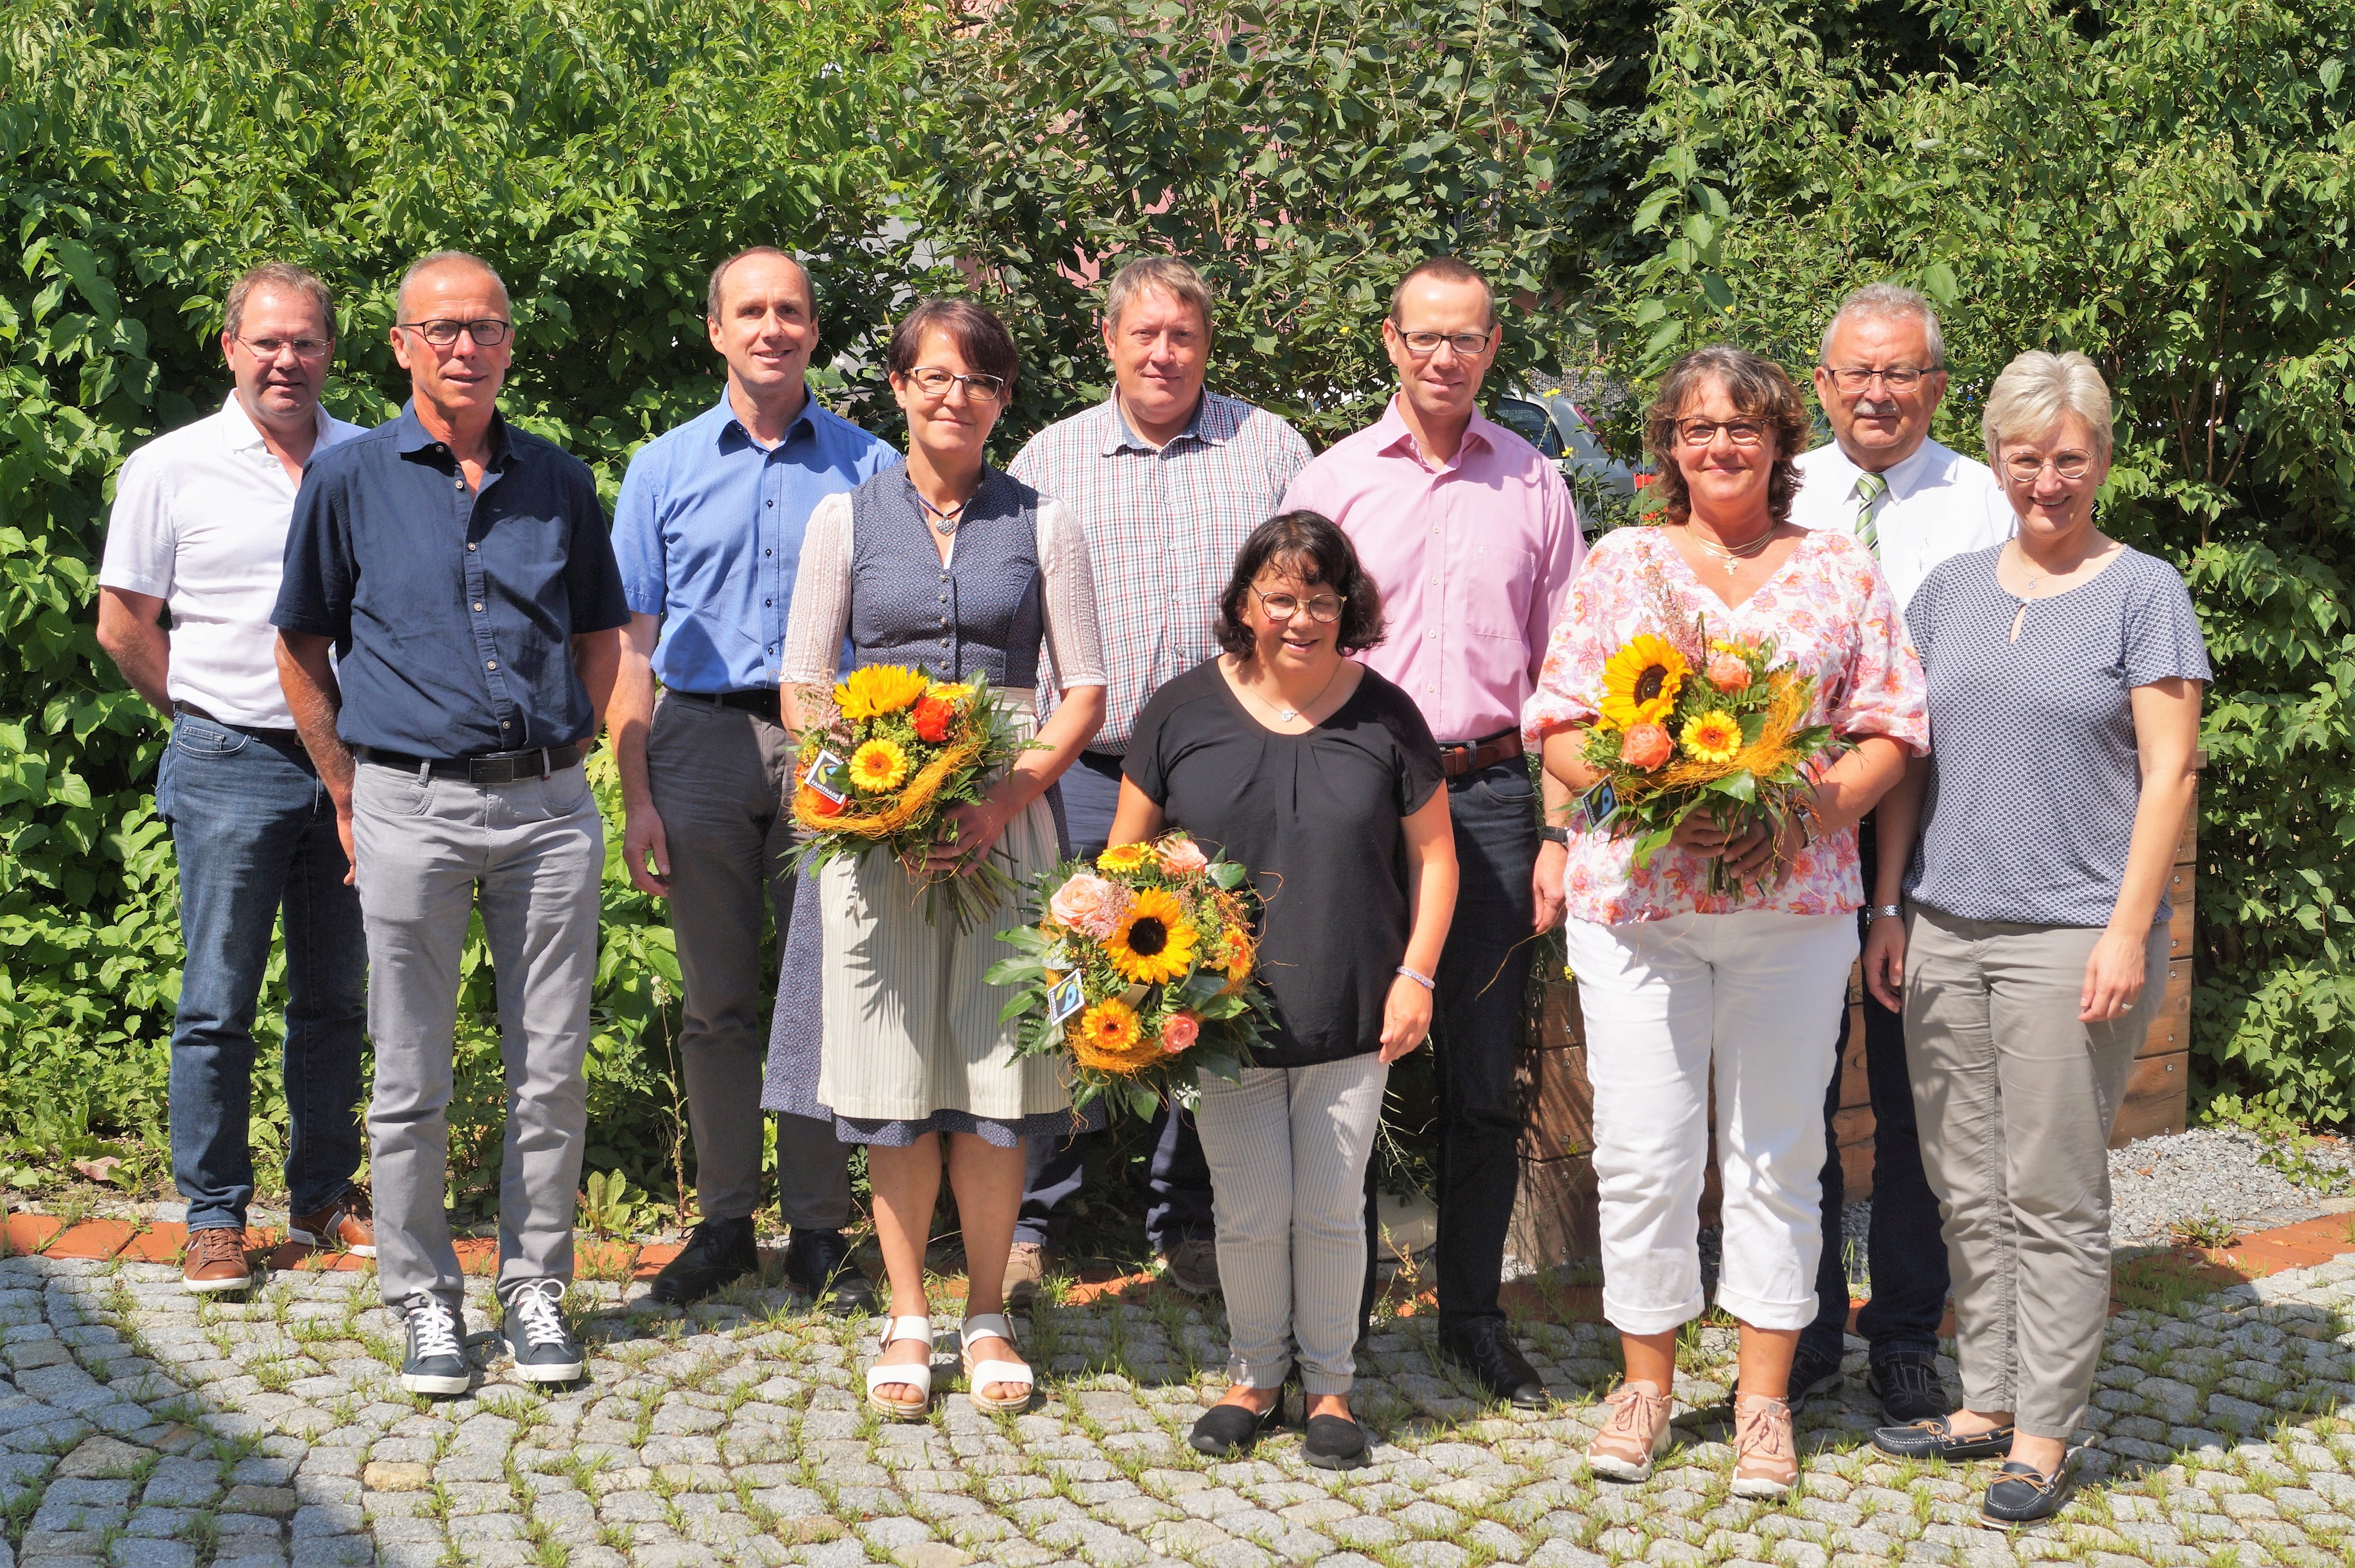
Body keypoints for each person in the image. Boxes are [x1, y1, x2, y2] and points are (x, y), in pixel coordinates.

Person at [1525, 345, 1928, 1496]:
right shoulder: (1622, 562)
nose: (1720, 445)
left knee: (1777, 1155)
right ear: (1668, 443)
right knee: (1643, 1152)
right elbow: (1557, 720)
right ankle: (1644, 1383)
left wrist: (1809, 810)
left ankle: (1761, 1403)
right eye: (1697, 426)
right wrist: (1652, 796)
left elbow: (1891, 725)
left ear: (1779, 441)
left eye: (1742, 425)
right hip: (1638, 906)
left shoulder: (1837, 568)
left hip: (1790, 910)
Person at [274, 250, 629, 1396]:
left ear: (509, 344)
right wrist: (342, 787)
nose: (461, 346)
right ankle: (425, 1299)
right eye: (438, 328)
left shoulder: (559, 481)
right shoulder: (350, 479)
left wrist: (593, 763)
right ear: (399, 345)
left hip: (545, 806)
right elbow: (301, 643)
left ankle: (533, 1286)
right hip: (405, 801)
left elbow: (600, 636)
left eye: (481, 327)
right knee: (412, 1068)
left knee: (549, 1069)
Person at [1865, 351, 2204, 1526]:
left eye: (2068, 459)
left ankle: (2047, 1428)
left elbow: (2168, 774)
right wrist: (1888, 903)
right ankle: (1984, 1399)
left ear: (2099, 459)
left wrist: (2124, 930)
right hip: (1945, 923)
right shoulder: (1949, 588)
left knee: (2050, 1188)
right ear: (1997, 458)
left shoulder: (2140, 589)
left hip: (2072, 933)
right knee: (1962, 1177)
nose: (2046, 480)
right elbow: (1909, 756)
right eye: (2025, 458)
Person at [764, 298, 1106, 1419]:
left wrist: (1003, 791)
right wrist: (875, 803)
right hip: (872, 832)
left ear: (1004, 399)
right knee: (891, 1076)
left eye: (979, 380)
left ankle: (989, 1312)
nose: (954, 395)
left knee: (999, 1075)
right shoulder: (840, 522)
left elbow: (1085, 688)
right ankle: (908, 1313)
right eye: (933, 376)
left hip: (1010, 825)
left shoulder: (1047, 524)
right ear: (900, 388)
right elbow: (806, 685)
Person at [1281, 255, 1585, 1408]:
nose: (1444, 357)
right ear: (1390, 342)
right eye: (1425, 337)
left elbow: (1569, 681)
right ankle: (1334, 1326)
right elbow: (1287, 648)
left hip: (1498, 797)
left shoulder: (1534, 487)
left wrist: (1561, 832)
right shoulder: (1333, 485)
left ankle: (1471, 1313)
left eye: (1466, 339)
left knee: (1482, 1076)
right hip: (1359, 796)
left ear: (1491, 347)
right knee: (1340, 1067)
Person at [1112, 512, 1458, 1471]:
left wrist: (1417, 975)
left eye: (1320, 598)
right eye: (1280, 596)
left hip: (1354, 1002)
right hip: (1219, 1018)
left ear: (1346, 607)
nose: (1300, 617)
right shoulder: (1179, 711)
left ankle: (1332, 1388)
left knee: (1334, 1208)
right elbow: (1122, 863)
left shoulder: (1387, 716)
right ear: (1242, 604)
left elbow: (1435, 858)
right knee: (1250, 1208)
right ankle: (1254, 1378)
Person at [1003, 255, 1313, 1301]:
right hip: (1086, 768)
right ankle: (1038, 1218)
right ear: (1110, 343)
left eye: (1182, 335)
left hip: (1226, 770)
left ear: (1206, 343)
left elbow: (1309, 594)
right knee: (1073, 982)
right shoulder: (1052, 455)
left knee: (1211, 988)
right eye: (1145, 335)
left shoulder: (1267, 447)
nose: (1164, 353)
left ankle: (1189, 1223)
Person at [609, 247, 896, 1312]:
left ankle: (822, 1229)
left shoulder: (871, 465)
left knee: (826, 993)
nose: (771, 327)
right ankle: (726, 1220)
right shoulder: (663, 468)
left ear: (814, 331)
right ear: (717, 331)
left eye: (790, 311)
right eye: (750, 311)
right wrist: (636, 791)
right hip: (697, 740)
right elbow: (632, 647)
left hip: (831, 747)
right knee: (717, 1001)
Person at [95, 262, 374, 1294]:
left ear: (331, 352)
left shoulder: (374, 458)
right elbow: (124, 622)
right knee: (217, 1001)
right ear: (229, 350)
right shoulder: (169, 467)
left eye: (304, 341)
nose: (286, 360)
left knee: (338, 998)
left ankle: (323, 1192)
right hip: (230, 759)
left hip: (356, 765)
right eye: (266, 342)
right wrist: (200, 713)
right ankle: (213, 1215)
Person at [1785, 283, 2015, 1421]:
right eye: (1854, 374)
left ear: (1935, 386)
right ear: (1819, 383)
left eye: (1900, 373)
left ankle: (1908, 1329)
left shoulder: (1982, 502)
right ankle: (1810, 1318)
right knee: (1795, 1087)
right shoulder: (1785, 490)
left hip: (1939, 834)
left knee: (1921, 1093)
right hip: (1793, 826)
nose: (1875, 393)